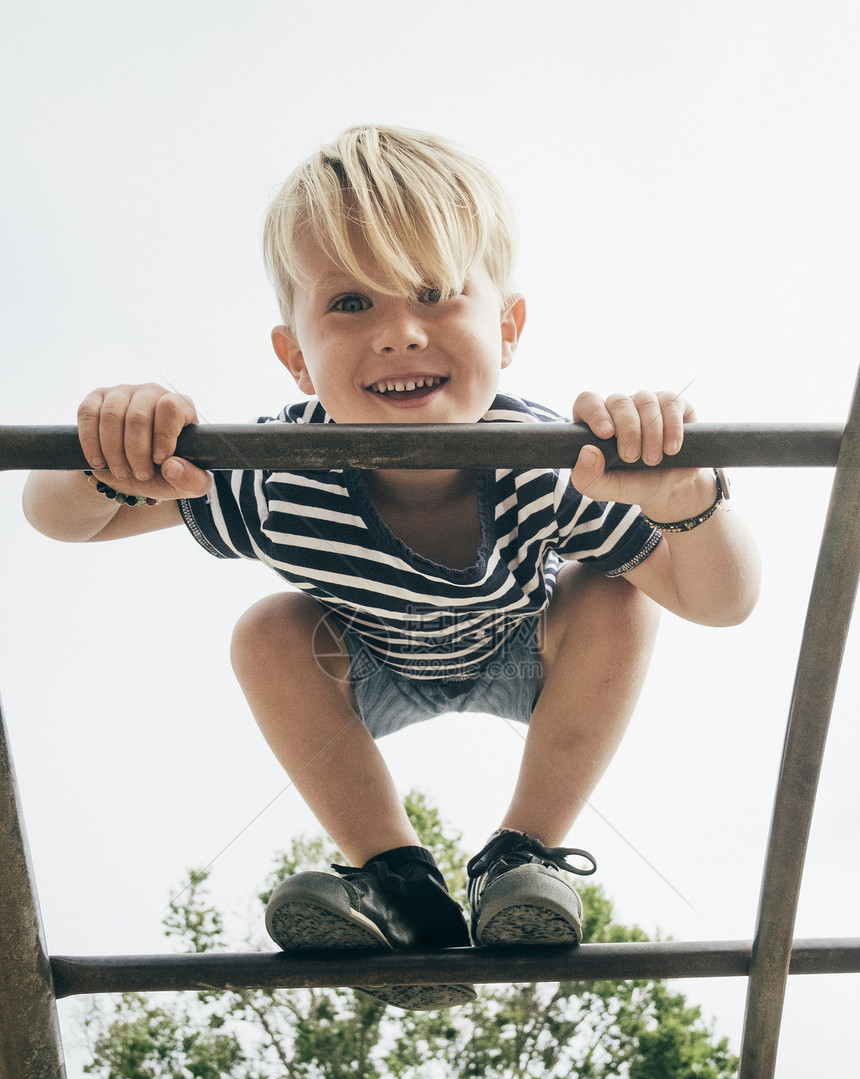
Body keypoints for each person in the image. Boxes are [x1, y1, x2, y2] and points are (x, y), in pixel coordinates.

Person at [23, 124, 760, 1011]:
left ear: (509, 327)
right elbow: (69, 522)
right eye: (349, 306)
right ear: (295, 356)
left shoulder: (553, 465)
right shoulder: (277, 476)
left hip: (527, 648)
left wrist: (690, 500)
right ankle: (399, 884)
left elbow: (721, 603)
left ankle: (521, 858)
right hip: (367, 661)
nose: (399, 333)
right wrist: (105, 450)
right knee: (269, 629)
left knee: (615, 597)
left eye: (434, 293)